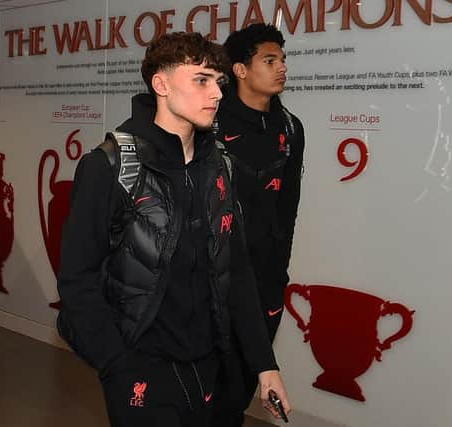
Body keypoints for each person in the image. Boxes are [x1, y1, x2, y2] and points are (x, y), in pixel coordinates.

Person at [56, 32, 290, 427]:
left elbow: (238, 272)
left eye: (219, 82)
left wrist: (264, 364)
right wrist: (116, 362)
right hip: (139, 366)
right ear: (161, 85)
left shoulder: (220, 166)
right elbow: (77, 279)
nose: (216, 94)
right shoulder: (109, 167)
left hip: (209, 364)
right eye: (201, 80)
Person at [211, 24, 305, 427]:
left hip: (264, 282)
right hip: (212, 281)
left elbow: (289, 208)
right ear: (240, 70)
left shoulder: (290, 128)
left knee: (239, 393)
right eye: (270, 60)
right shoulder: (209, 124)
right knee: (203, 394)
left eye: (282, 60)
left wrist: (276, 273)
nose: (281, 68)